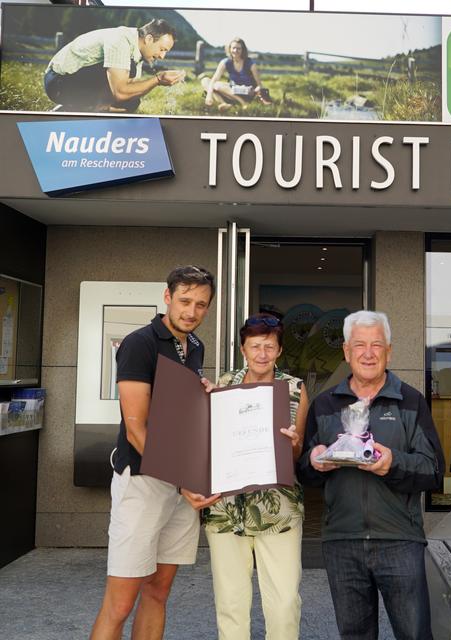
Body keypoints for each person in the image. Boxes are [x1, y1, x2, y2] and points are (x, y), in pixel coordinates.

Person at [297, 310, 445, 640]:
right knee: (355, 635)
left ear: (389, 351)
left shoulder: (411, 401)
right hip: (342, 541)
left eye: (377, 344)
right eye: (359, 345)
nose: (368, 353)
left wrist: (393, 463)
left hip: (400, 542)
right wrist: (315, 461)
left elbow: (434, 471)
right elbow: (305, 473)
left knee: (415, 633)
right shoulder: (324, 405)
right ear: (347, 352)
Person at [90, 265, 220, 640]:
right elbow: (136, 429)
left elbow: (177, 409)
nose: (191, 311)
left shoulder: (195, 346)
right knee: (120, 604)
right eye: (184, 301)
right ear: (167, 297)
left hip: (180, 486)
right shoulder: (139, 343)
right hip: (145, 482)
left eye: (201, 304)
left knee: (158, 593)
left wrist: (204, 396)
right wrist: (185, 481)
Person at [202, 312, 308, 640]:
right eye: (255, 346)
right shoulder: (222, 384)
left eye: (270, 346)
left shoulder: (294, 388)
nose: (262, 353)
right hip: (225, 508)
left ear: (279, 350)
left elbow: (297, 453)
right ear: (243, 349)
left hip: (279, 509)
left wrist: (293, 444)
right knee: (230, 601)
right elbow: (208, 442)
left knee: (284, 600)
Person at [44, 18, 184, 113]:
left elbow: (129, 92)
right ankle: (87, 108)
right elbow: (120, 92)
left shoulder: (136, 51)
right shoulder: (120, 39)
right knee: (124, 91)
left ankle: (76, 109)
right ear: (148, 39)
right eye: (162, 49)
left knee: (131, 103)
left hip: (74, 81)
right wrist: (157, 80)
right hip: (58, 82)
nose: (162, 56)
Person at [201, 37, 272, 112]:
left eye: (238, 48)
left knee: (217, 85)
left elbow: (259, 85)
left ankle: (243, 103)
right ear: (230, 49)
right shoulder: (225, 62)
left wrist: (256, 90)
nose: (235, 51)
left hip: (247, 92)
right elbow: (214, 79)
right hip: (232, 90)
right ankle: (225, 104)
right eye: (233, 48)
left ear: (243, 50)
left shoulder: (250, 63)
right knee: (205, 81)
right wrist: (209, 95)